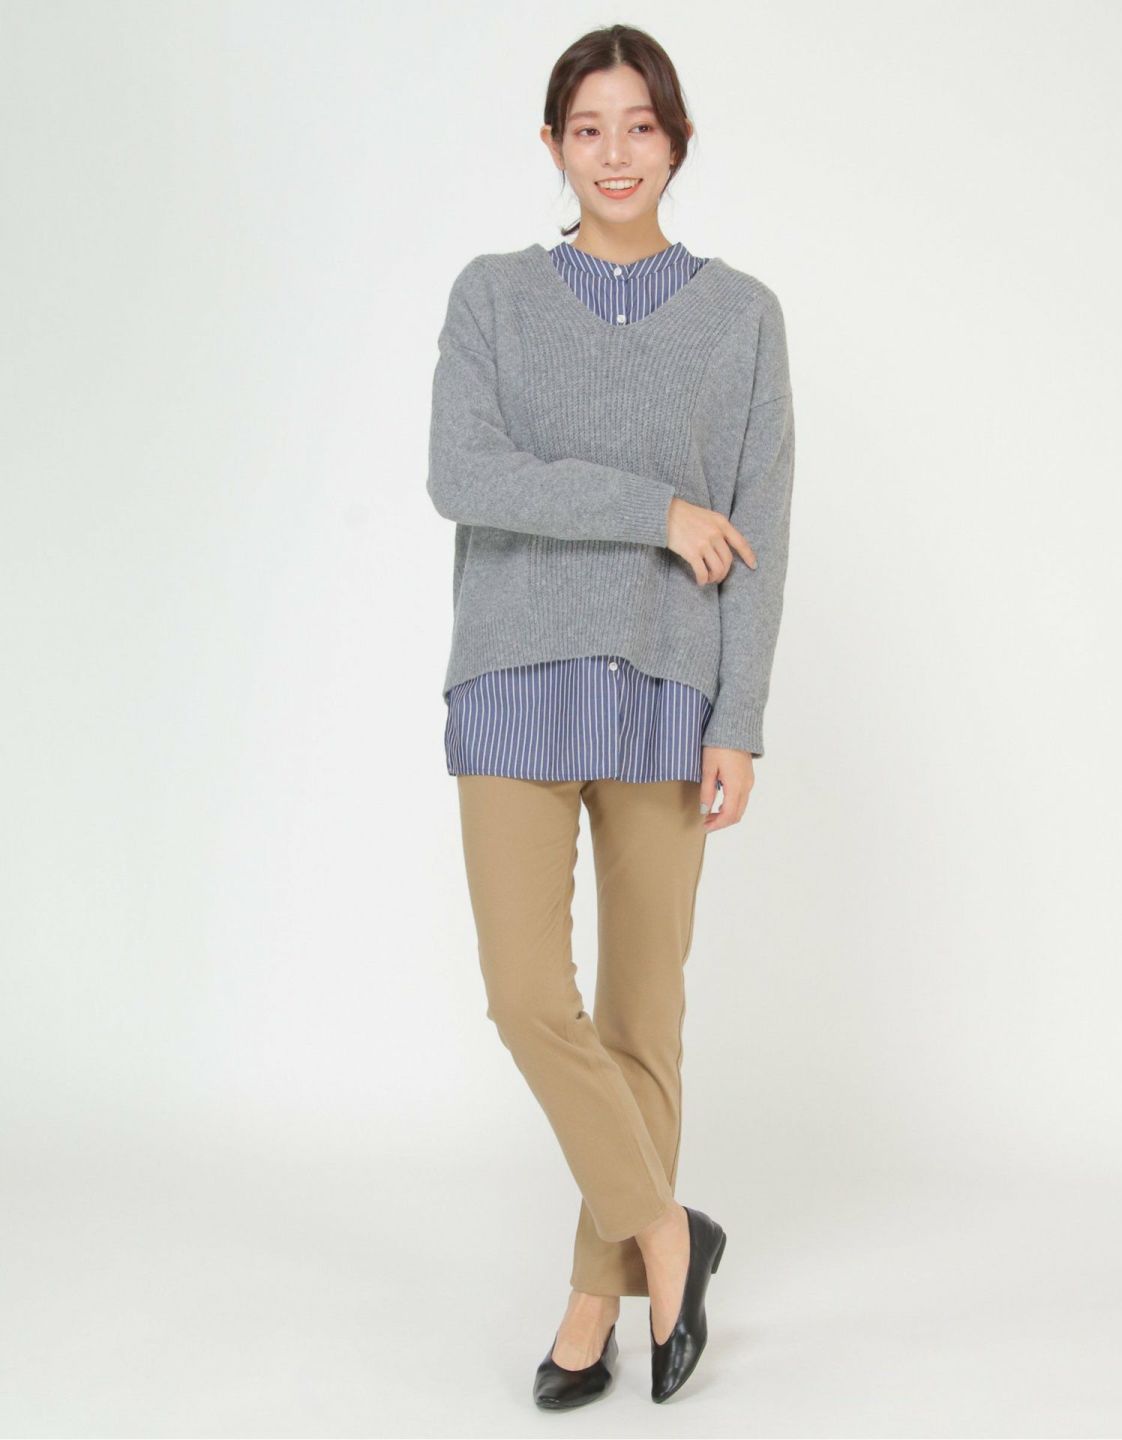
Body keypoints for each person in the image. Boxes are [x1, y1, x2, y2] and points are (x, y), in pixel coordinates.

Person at [427, 23, 794, 1408]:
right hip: (512, 677)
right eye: (589, 128)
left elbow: (760, 532)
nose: (616, 152)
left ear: (676, 141)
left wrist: (739, 715)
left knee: (644, 1012)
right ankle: (666, 1231)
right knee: (528, 997)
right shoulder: (495, 297)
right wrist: (654, 510)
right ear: (553, 145)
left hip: (668, 688)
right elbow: (464, 472)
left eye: (640, 125)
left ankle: (595, 1301)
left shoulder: (741, 316)